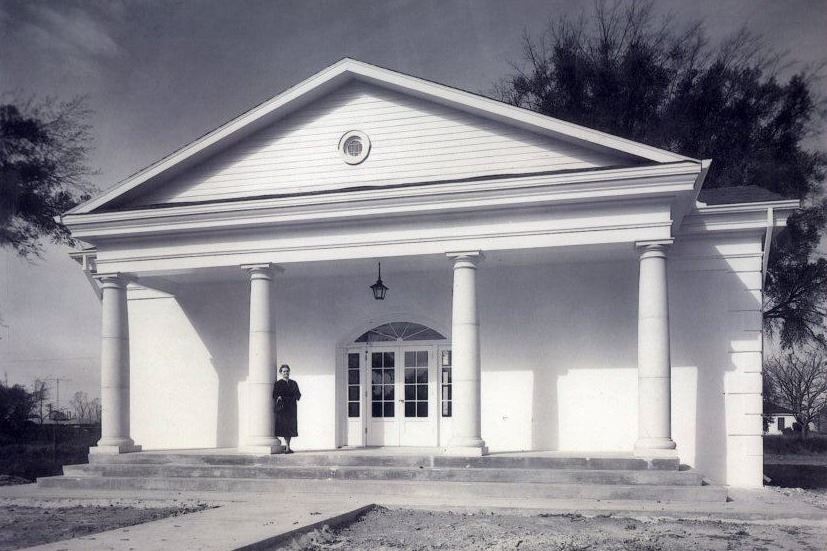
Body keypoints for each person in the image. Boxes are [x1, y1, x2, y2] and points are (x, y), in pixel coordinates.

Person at [272, 364, 301, 453]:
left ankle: (288, 447)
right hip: (283, 409)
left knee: (290, 427)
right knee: (284, 427)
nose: (286, 373)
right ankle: (287, 447)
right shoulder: (278, 383)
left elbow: (298, 395)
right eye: (284, 371)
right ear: (281, 372)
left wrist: (292, 397)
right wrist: (279, 397)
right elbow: (274, 395)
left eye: (287, 371)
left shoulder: (293, 383)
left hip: (292, 408)